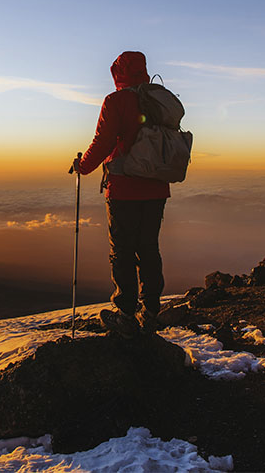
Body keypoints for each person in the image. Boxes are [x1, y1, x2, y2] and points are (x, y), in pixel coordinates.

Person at [73, 51, 169, 336]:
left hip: (124, 188)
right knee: (149, 248)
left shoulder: (116, 101)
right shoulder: (158, 98)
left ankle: (126, 313)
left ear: (118, 73)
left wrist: (83, 166)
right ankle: (151, 310)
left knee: (123, 251)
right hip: (156, 186)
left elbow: (103, 141)